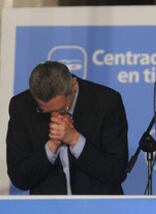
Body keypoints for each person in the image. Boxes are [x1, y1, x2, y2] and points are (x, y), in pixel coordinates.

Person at [6, 61, 128, 194]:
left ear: (73, 86)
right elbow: (19, 178)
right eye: (45, 112)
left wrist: (75, 140)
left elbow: (116, 172)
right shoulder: (22, 106)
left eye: (62, 109)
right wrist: (51, 147)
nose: (55, 116)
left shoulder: (106, 102)